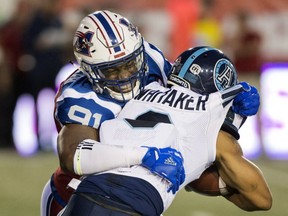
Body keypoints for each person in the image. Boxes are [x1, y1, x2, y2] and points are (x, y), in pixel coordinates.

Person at [59, 46, 272, 215]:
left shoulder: (143, 91)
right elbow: (262, 199)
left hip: (83, 195)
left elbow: (77, 155)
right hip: (135, 204)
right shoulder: (210, 122)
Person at [40, 10, 181, 216]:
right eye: (112, 70)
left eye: (129, 64)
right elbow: (73, 157)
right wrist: (141, 155)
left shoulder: (151, 58)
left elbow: (184, 97)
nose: (124, 76)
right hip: (76, 195)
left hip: (134, 191)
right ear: (88, 70)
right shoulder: (80, 97)